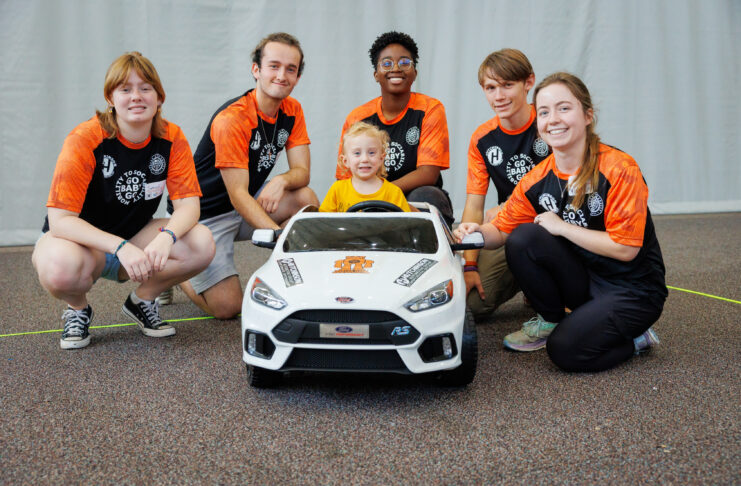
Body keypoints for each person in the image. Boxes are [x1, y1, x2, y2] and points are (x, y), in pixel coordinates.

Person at [454, 72, 667, 372]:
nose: (553, 119)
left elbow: (625, 249)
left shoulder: (620, 169)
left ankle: (636, 338)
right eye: (544, 112)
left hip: (632, 288)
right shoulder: (537, 178)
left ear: (588, 115)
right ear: (538, 123)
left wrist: (563, 227)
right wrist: (475, 232)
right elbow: (501, 230)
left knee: (565, 352)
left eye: (564, 108)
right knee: (523, 238)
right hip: (586, 276)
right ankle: (552, 319)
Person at [32, 52, 215, 350]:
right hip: (80, 244)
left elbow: (189, 206)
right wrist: (120, 247)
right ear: (110, 97)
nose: (136, 97)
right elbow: (60, 220)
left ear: (159, 97)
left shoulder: (171, 138)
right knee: (58, 266)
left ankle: (143, 300)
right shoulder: (85, 138)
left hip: (133, 235)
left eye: (145, 88)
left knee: (202, 242)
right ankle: (78, 309)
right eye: (125, 89)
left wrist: (166, 238)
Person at [169, 32, 319, 319]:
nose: (281, 75)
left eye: (291, 69)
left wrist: (280, 180)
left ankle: (295, 286)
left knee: (305, 199)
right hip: (204, 215)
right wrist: (278, 238)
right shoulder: (232, 119)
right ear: (256, 70)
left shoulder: (292, 110)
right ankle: (176, 272)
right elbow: (237, 194)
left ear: (298, 77)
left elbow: (302, 173)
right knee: (227, 309)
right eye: (273, 66)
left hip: (244, 203)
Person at [461, 49, 550, 322]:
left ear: (528, 82)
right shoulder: (482, 138)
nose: (498, 96)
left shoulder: (550, 123)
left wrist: (505, 209)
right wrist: (470, 265)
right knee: (475, 305)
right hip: (511, 228)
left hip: (557, 224)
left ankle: (547, 284)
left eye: (507, 85)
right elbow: (474, 207)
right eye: (491, 88)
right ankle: (528, 280)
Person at [335, 31, 453, 225]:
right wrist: (370, 194)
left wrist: (383, 192)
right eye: (387, 63)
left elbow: (428, 173)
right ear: (376, 74)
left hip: (413, 195)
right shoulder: (358, 117)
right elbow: (345, 178)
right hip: (366, 195)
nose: (396, 68)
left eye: (405, 62)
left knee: (428, 194)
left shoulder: (430, 109)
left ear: (415, 72)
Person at [320, 122, 412, 212]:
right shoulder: (337, 190)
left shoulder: (393, 193)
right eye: (357, 153)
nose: (365, 159)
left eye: (371, 153)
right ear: (345, 161)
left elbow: (405, 224)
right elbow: (323, 222)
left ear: (381, 158)